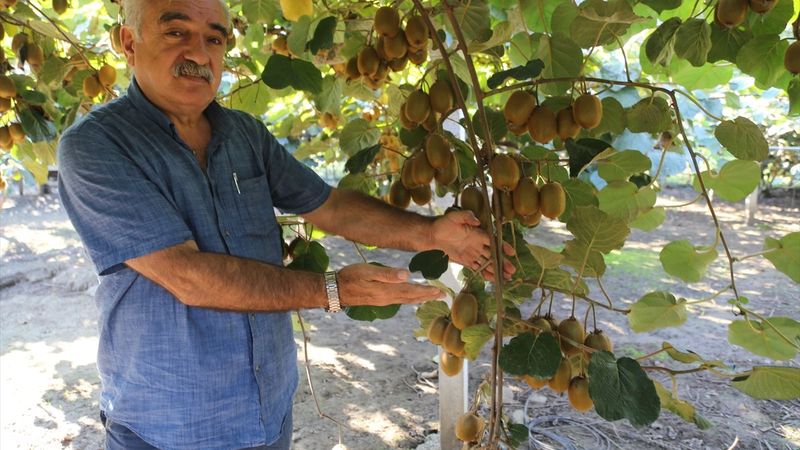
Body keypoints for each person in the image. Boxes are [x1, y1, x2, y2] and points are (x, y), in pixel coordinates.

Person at [57, 0, 514, 449]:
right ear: (128, 42)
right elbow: (187, 276)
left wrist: (432, 234)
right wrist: (335, 291)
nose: (199, 54)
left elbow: (328, 204)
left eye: (214, 38)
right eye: (176, 32)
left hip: (268, 408)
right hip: (168, 426)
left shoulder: (244, 134)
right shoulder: (96, 146)